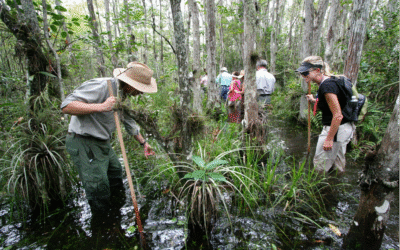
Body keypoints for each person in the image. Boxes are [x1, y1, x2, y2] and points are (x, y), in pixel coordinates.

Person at [61, 62, 156, 217]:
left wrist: (143, 143)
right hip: (83, 141)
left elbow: (128, 121)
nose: (142, 93)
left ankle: (116, 213)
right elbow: (66, 106)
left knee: (115, 174)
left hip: (102, 142)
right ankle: (103, 224)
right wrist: (101, 106)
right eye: (140, 89)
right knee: (98, 187)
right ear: (130, 85)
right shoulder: (102, 86)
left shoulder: (123, 94)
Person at [296, 56, 356, 174]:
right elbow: (332, 104)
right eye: (301, 73)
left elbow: (337, 115)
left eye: (305, 72)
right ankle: (336, 187)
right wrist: (314, 100)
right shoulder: (331, 81)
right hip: (344, 128)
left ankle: (318, 190)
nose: (303, 76)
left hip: (336, 130)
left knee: (320, 166)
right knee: (337, 164)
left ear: (317, 70)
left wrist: (329, 139)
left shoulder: (327, 86)